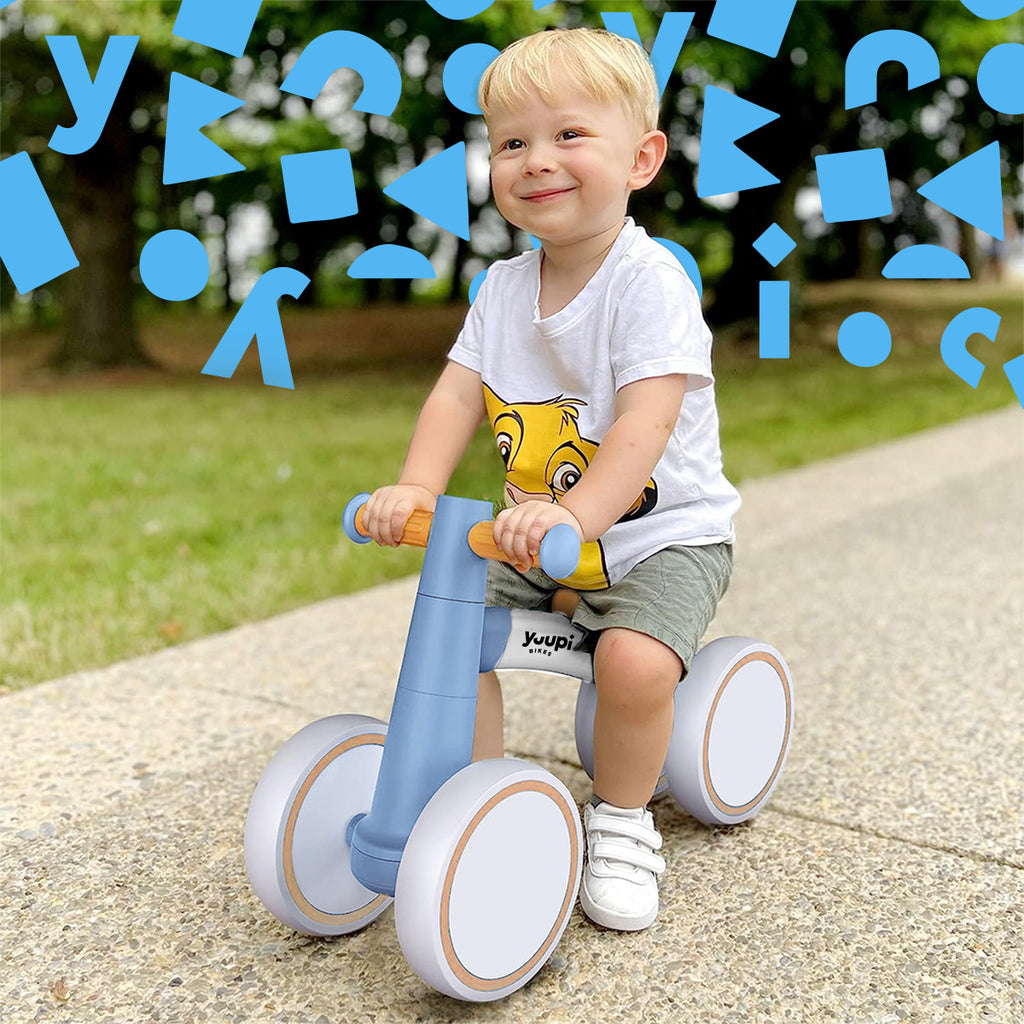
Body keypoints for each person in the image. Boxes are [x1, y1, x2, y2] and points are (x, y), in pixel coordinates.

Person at [360, 26, 740, 932]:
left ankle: (618, 820)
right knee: (452, 630)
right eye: (512, 142)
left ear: (642, 158)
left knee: (634, 664)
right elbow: (456, 398)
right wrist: (415, 486)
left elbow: (645, 428)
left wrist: (577, 514)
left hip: (658, 536)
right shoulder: (499, 289)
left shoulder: (648, 283)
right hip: (535, 533)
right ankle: (479, 802)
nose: (537, 160)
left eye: (570, 135)